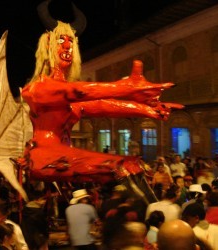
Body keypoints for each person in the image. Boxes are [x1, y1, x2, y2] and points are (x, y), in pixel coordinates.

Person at [17, 2, 182, 193]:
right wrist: (127, 87)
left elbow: (102, 105)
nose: (68, 46)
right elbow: (81, 91)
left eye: (72, 41)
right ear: (48, 44)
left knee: (132, 165)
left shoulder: (68, 94)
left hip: (64, 155)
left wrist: (148, 110)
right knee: (120, 165)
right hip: (43, 157)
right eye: (61, 41)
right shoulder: (39, 87)